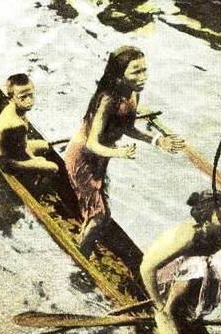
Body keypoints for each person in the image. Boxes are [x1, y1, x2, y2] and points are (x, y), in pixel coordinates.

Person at [63, 46, 186, 257]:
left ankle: (83, 243)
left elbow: (127, 128)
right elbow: (91, 143)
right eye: (136, 72)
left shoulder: (133, 96)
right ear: (119, 75)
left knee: (100, 212)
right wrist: (118, 153)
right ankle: (80, 259)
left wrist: (157, 140)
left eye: (144, 70)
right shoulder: (108, 100)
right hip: (83, 157)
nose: (143, 77)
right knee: (99, 215)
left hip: (101, 158)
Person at [139, 190, 221, 334]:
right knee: (196, 266)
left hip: (181, 270)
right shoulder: (186, 236)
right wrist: (160, 307)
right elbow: (146, 268)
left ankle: (186, 310)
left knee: (218, 271)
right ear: (205, 222)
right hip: (157, 273)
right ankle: (166, 313)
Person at [0, 74, 60, 177]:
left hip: (10, 150)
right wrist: (37, 161)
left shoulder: (15, 109)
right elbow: (23, 154)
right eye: (23, 97)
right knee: (54, 168)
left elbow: (23, 146)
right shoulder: (17, 124)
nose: (28, 101)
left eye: (30, 95)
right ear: (12, 97)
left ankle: (34, 174)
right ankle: (37, 191)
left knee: (45, 145)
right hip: (8, 162)